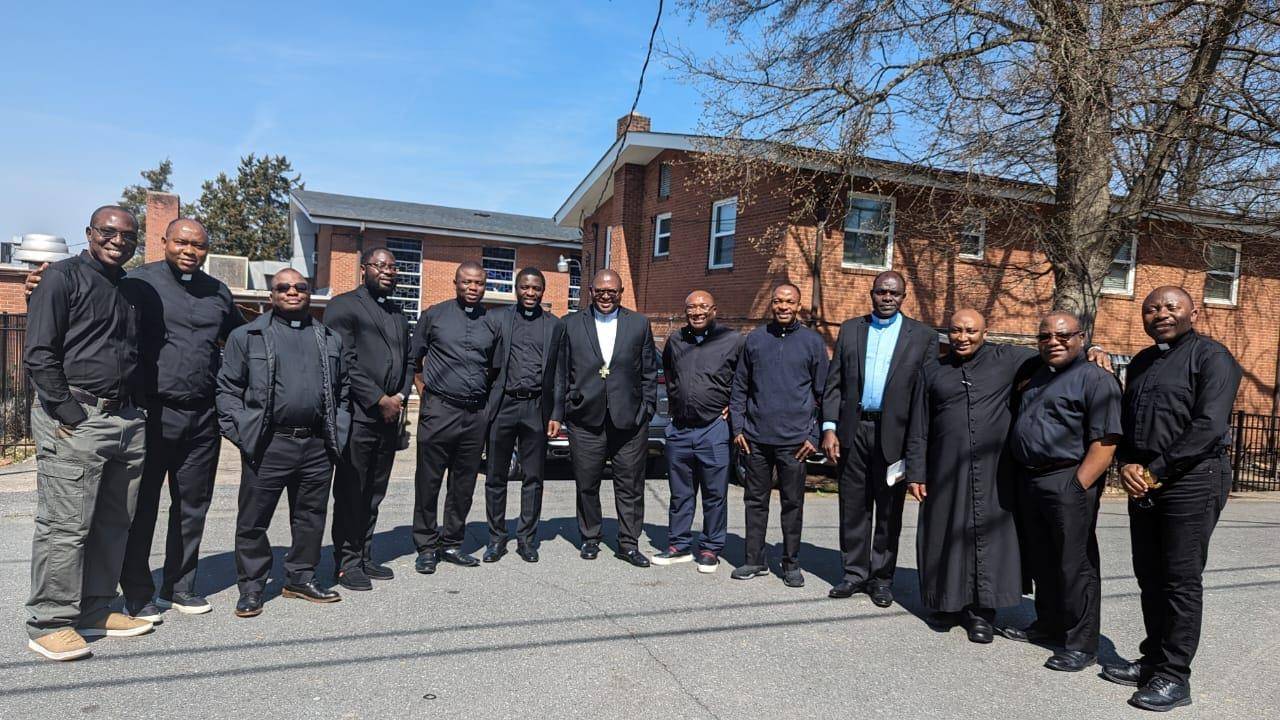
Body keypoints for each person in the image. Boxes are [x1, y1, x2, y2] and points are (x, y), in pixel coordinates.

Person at [1103, 286, 1241, 712]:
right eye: (1152, 308)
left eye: (1170, 306)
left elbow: (1208, 426)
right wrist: (1125, 462)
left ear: (1192, 311)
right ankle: (1153, 660)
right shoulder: (1142, 362)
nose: (1160, 313)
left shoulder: (1212, 358)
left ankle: (1174, 676)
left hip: (1193, 480)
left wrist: (1154, 469)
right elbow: (1126, 423)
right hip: (1144, 479)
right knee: (1149, 573)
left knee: (1180, 579)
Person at [23, 206, 152, 660]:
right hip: (78, 418)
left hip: (125, 421)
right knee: (66, 525)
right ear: (89, 234)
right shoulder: (60, 278)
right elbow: (38, 353)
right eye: (108, 232)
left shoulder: (131, 290)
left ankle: (95, 608)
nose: (118, 240)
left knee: (112, 522)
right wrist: (69, 413)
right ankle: (50, 620)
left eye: (128, 235)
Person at [217, 269, 351, 618]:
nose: (292, 292)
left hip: (316, 446)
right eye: (283, 287)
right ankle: (251, 587)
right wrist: (244, 434)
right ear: (271, 293)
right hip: (268, 443)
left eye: (300, 287)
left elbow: (344, 393)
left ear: (309, 292)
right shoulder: (247, 336)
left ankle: (300, 578)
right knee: (253, 520)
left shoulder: (329, 338)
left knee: (310, 518)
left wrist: (339, 430)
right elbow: (227, 390)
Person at [1007, 312, 1121, 673]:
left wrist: (1078, 485)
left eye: (1062, 335)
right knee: (1044, 558)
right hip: (1032, 479)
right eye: (1045, 336)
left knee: (1076, 565)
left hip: (1069, 479)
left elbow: (1105, 440)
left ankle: (1080, 644)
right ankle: (1049, 624)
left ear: (1081, 337)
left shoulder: (1095, 378)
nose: (1053, 342)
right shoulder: (1036, 373)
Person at [821, 271, 937, 607]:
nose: (887, 298)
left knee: (889, 512)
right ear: (871, 294)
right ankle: (854, 573)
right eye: (881, 292)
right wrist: (829, 427)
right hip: (853, 430)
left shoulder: (923, 336)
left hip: (895, 436)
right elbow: (835, 383)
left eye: (894, 293)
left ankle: (882, 579)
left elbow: (924, 395)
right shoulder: (851, 329)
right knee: (853, 507)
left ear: (904, 296)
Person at [323, 247, 413, 591]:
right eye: (380, 265)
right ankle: (345, 563)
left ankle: (364, 554)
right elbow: (343, 359)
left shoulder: (396, 312)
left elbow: (407, 360)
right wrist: (378, 398)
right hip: (359, 415)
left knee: (375, 492)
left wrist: (400, 396)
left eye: (393, 266)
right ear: (365, 269)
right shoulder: (343, 306)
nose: (387, 271)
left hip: (390, 417)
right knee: (352, 491)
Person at [729, 283, 828, 588]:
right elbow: (739, 388)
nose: (783, 306)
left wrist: (814, 435)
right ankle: (754, 559)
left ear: (799, 306)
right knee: (755, 501)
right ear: (771, 305)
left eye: (789, 302)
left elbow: (825, 394)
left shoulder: (812, 343)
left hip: (795, 443)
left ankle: (791, 563)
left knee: (792, 504)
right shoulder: (755, 340)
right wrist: (738, 427)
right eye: (778, 301)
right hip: (756, 438)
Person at [562, 268, 658, 567]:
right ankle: (591, 537)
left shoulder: (639, 324)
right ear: (590, 292)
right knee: (587, 483)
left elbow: (649, 372)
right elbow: (561, 371)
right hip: (585, 419)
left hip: (629, 421)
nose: (606, 296)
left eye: (612, 292)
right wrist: (567, 405)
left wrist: (647, 409)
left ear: (621, 293)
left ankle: (628, 543)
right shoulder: (570, 324)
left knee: (630, 485)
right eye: (600, 291)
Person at [410, 261, 496, 573]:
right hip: (440, 411)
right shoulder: (434, 316)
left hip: (475, 414)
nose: (473, 288)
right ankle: (426, 546)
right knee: (428, 482)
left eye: (479, 283)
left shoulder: (492, 321)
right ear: (455, 282)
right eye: (467, 282)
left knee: (463, 484)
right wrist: (425, 394)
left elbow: (495, 368)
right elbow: (414, 359)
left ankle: (451, 543)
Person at [481, 268, 566, 564]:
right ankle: (496, 539)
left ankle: (527, 539)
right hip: (503, 405)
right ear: (516, 289)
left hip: (536, 408)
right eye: (525, 287)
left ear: (543, 291)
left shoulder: (555, 326)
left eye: (536, 288)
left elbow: (559, 373)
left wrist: (557, 412)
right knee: (495, 476)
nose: (530, 293)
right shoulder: (497, 319)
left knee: (534, 477)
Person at [654, 290, 742, 574]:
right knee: (680, 493)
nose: (697, 312)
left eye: (703, 307)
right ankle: (678, 545)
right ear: (685, 311)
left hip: (713, 429)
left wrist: (733, 407)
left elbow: (744, 379)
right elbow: (669, 373)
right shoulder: (676, 340)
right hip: (680, 429)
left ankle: (710, 548)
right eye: (691, 307)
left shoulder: (732, 341)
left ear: (714, 309)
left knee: (714, 493)